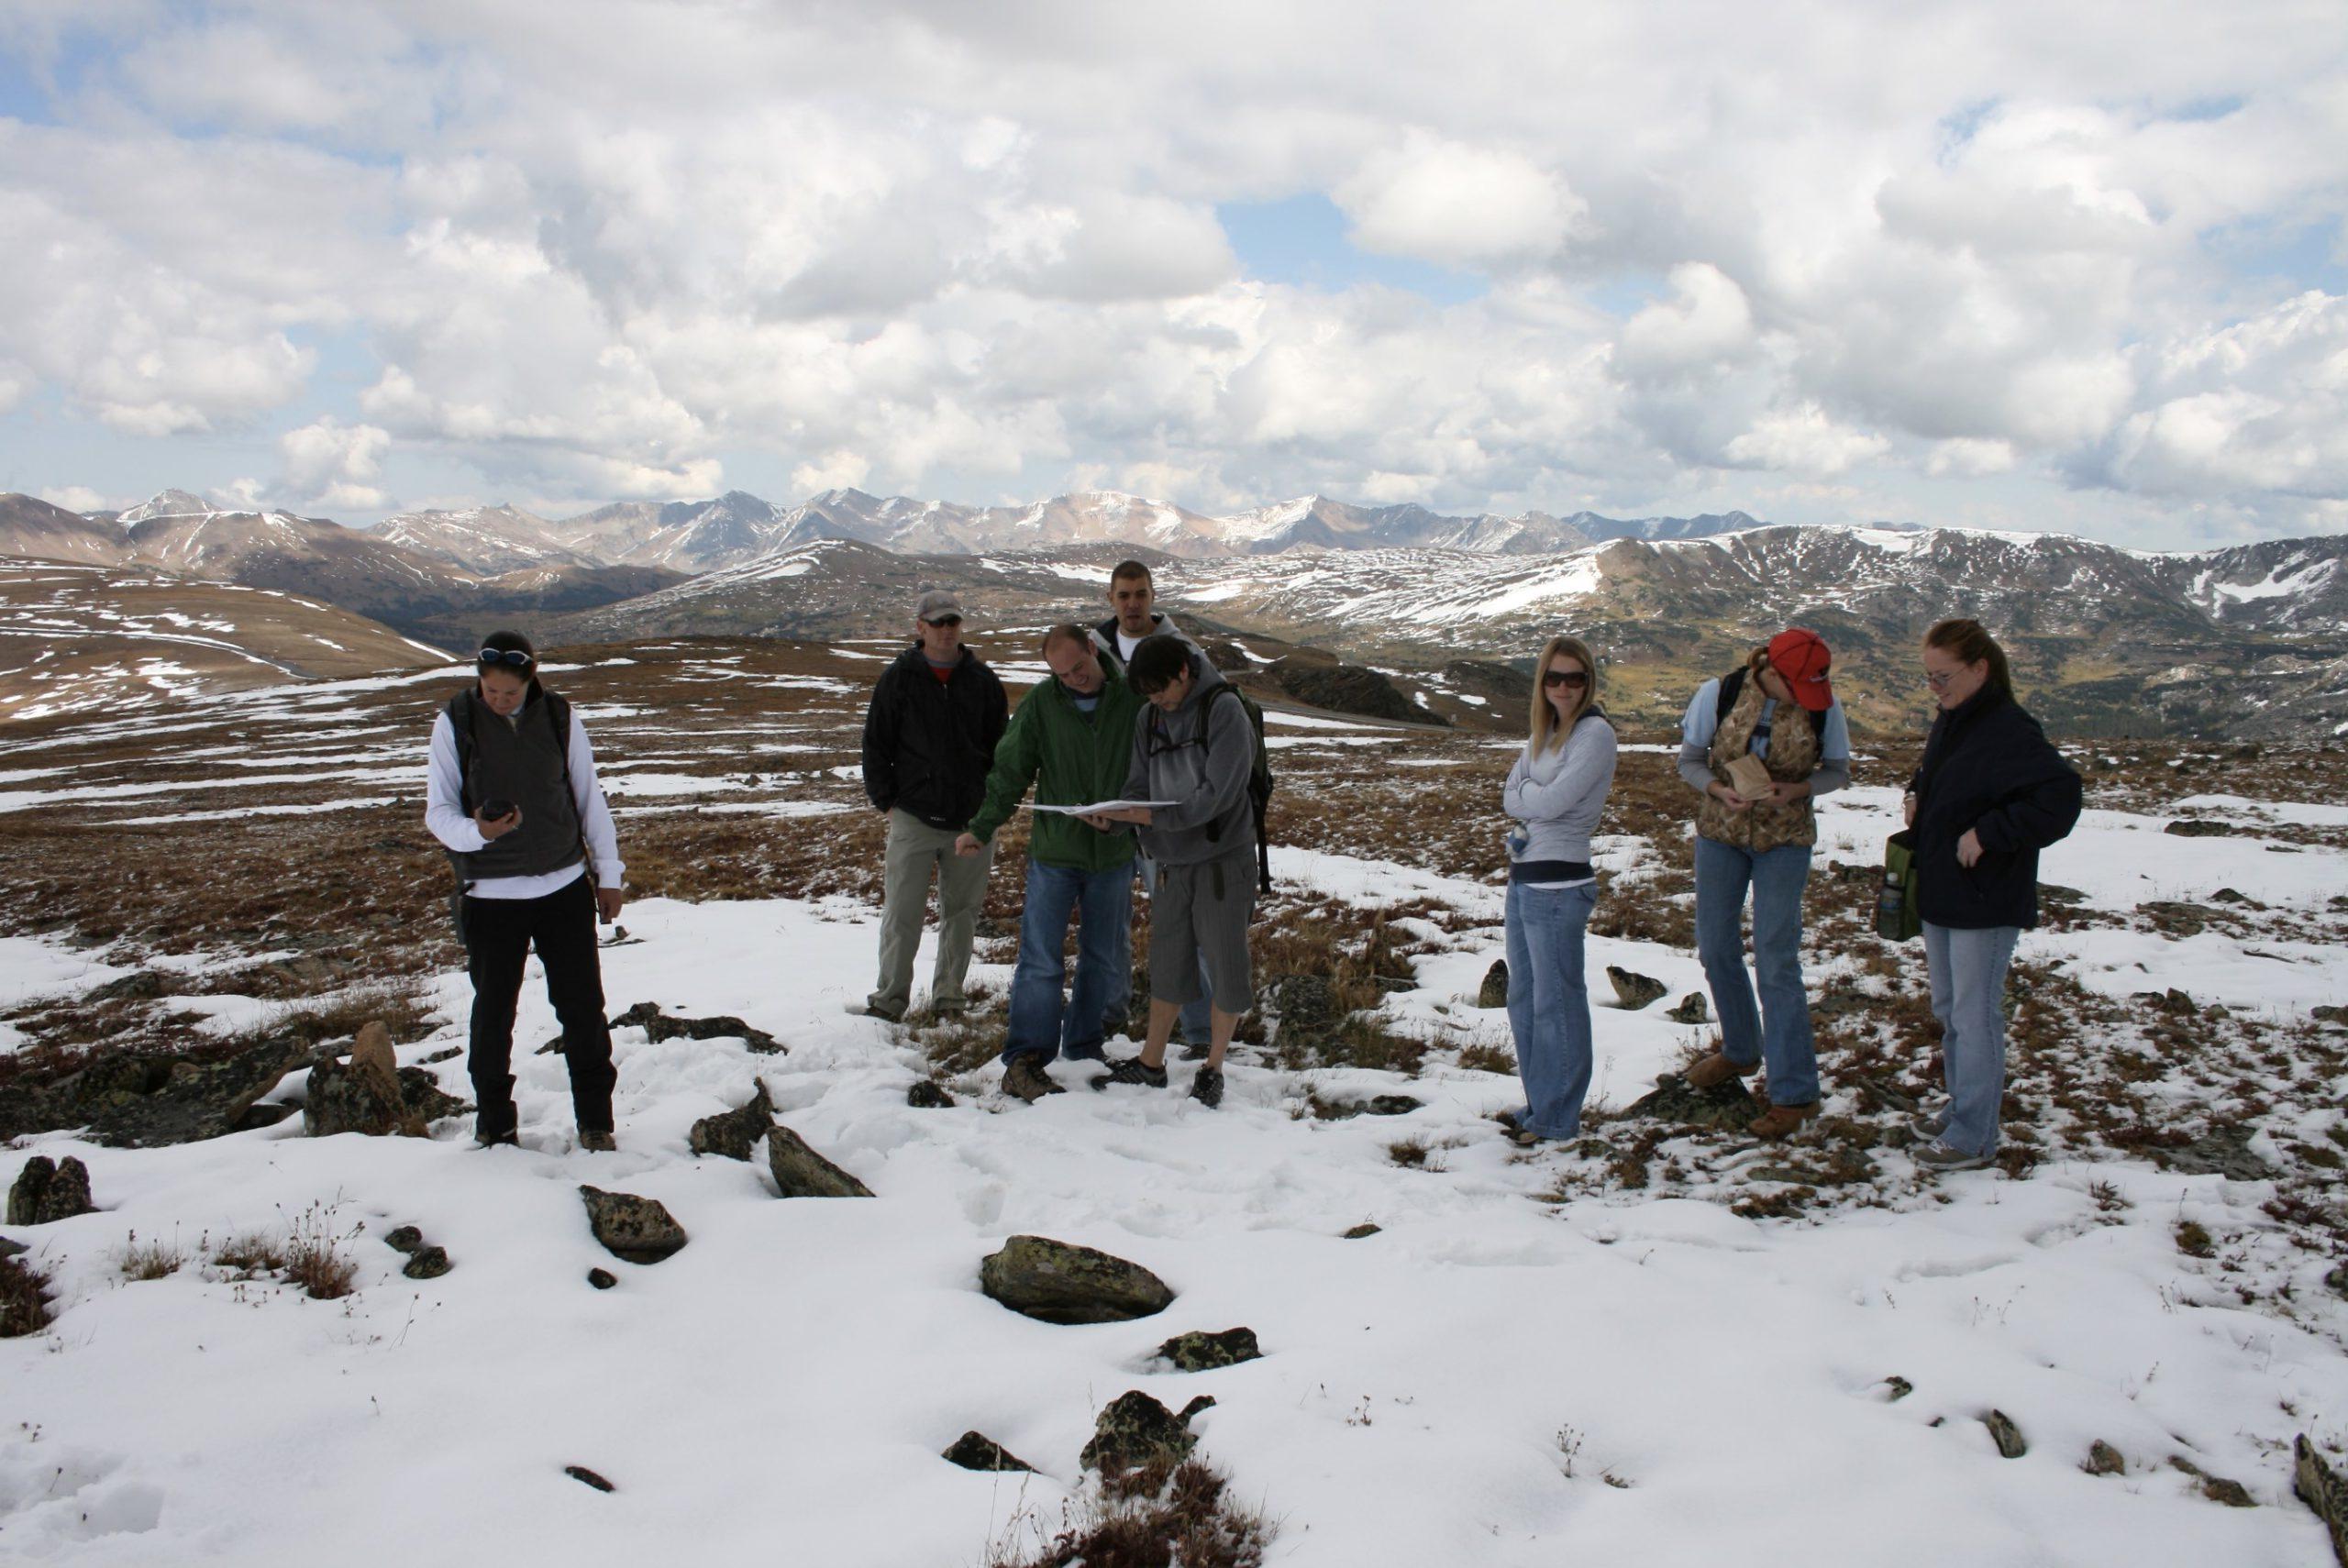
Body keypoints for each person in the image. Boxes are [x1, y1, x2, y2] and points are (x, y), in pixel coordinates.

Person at [425, 631, 625, 1151]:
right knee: (493, 1013)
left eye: (509, 693)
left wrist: (608, 875)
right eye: (490, 691)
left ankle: (596, 1122)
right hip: (490, 895)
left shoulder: (559, 717)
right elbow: (439, 813)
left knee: (582, 1009)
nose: (499, 701)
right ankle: (495, 1126)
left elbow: (588, 798)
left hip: (562, 887)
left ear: (530, 679)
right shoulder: (456, 722)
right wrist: (479, 833)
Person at [1903, 618, 2081, 1172]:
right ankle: (1963, 1109)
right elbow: (1945, 776)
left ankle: (1974, 1135)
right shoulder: (1955, 719)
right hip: (1943, 890)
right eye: (1929, 678)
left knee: (1976, 1015)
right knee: (1951, 1010)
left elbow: (2059, 798)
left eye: (1944, 676)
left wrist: (1989, 835)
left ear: (1981, 669)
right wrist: (1916, 792)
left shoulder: (2008, 728)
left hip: (1985, 897)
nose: (1936, 688)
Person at [955, 625, 1145, 1102]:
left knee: (1103, 956)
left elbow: (1152, 771)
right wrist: (982, 826)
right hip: (1056, 855)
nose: (1073, 679)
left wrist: (1123, 821)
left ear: (1092, 651)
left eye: (1078, 668)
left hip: (1114, 857)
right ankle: (1027, 1058)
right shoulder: (1043, 702)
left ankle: (1083, 1052)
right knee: (1040, 960)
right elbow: (1012, 767)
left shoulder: (1133, 701)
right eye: (1061, 674)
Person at [1678, 627, 1853, 1137]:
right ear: (1772, 672)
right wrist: (1716, 789)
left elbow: (1837, 771)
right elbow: (1689, 761)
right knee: (1715, 947)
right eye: (1798, 686)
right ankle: (1740, 1050)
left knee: (1777, 961)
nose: (1807, 698)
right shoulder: (1720, 693)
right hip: (1720, 836)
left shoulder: (1825, 707)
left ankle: (1796, 1093)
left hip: (1785, 843)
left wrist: (1795, 789)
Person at [1082, 634, 1255, 1109]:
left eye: (1161, 690)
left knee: (1225, 963)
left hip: (1222, 859)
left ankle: (1213, 1067)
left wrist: (1153, 818)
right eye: (1148, 694)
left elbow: (1219, 794)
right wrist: (1116, 817)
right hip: (1170, 862)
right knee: (1169, 961)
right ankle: (1151, 1062)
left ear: (1184, 672)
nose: (1155, 701)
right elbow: (1139, 784)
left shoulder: (1224, 711)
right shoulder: (1149, 715)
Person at [855, 589, 1007, 1021]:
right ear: (920, 627)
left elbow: (1002, 750)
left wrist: (990, 811)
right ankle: (889, 1000)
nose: (946, 630)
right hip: (914, 818)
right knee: (902, 913)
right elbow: (875, 742)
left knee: (962, 914)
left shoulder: (983, 680)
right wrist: (888, 803)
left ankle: (949, 1000)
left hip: (972, 822)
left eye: (953, 622)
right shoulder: (898, 678)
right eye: (938, 622)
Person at [1090, 558, 1214, 1056]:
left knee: (1182, 918)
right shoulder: (1094, 652)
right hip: (1110, 805)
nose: (1133, 604)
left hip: (1163, 805)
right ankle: (1108, 1015)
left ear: (1153, 595)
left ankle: (1202, 1031)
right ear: (1111, 599)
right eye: (1123, 595)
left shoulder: (1185, 652)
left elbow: (1213, 711)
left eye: (1140, 594)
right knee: (1108, 917)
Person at [1500, 635, 1618, 1145]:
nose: (1564, 687)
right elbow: (1512, 795)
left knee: (1558, 1001)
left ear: (1588, 682)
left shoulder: (1594, 735)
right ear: (1542, 683)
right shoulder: (1542, 734)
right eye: (1554, 678)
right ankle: (1539, 1105)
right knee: (1524, 998)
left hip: (1560, 884)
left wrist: (1531, 795)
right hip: (1524, 878)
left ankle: (1558, 1117)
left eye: (1575, 678)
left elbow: (1553, 802)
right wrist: (1531, 795)